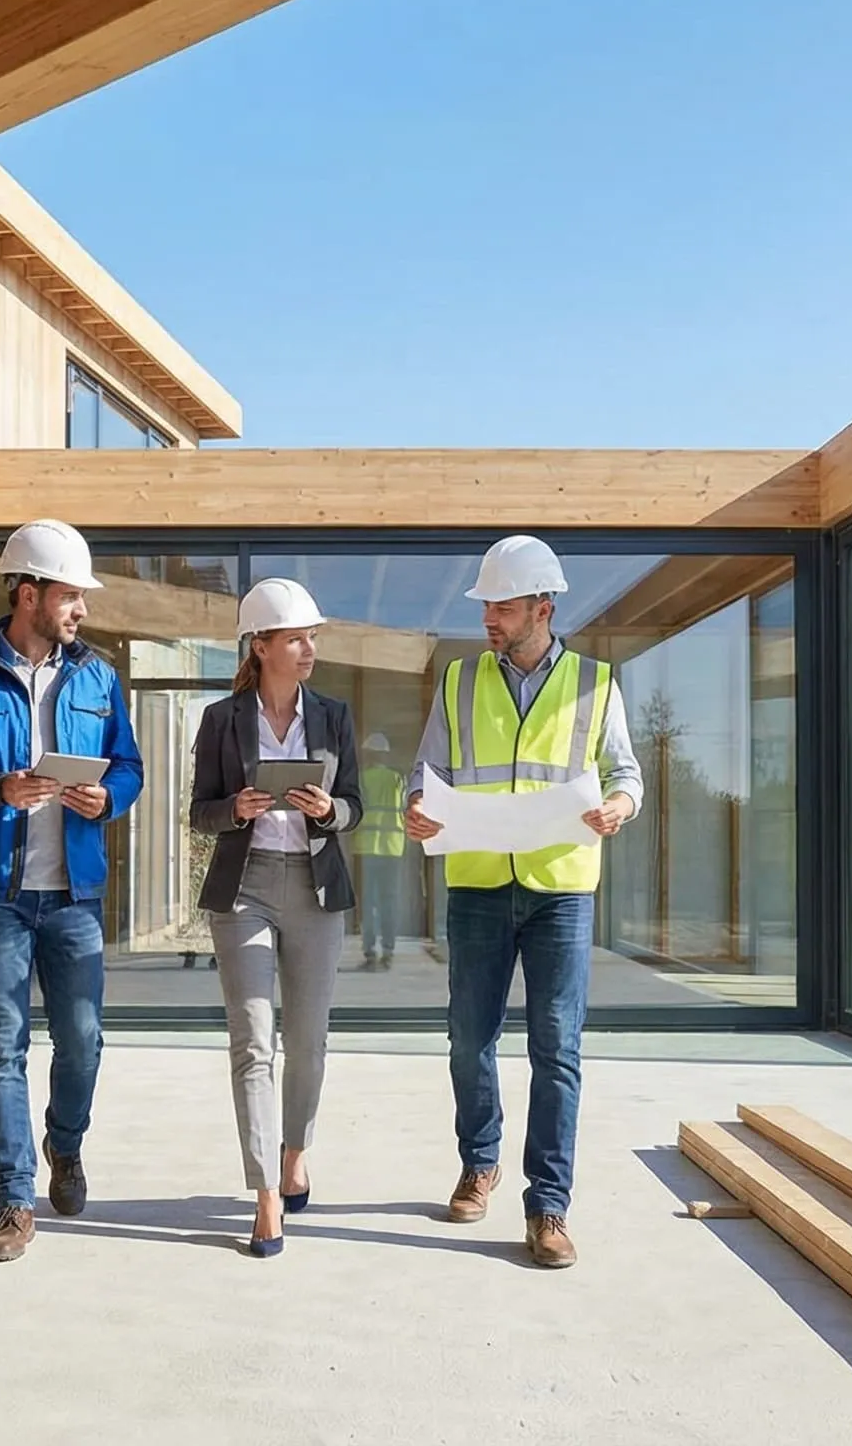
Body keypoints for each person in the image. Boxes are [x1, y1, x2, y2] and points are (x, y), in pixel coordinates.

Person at [0, 519, 144, 1264]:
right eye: (70, 596)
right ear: (29, 593)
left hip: (73, 895)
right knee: (1, 1050)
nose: (80, 610)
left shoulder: (98, 677)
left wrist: (110, 800)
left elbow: (127, 766)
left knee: (82, 1041)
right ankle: (13, 1198)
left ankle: (64, 1148)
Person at [403, 534, 640, 1270]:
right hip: (476, 882)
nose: (489, 619)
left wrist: (620, 806)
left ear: (543, 606)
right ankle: (480, 1161)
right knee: (468, 1041)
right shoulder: (457, 680)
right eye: (486, 606)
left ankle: (548, 1207)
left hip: (560, 891)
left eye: (502, 606)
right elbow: (426, 769)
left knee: (556, 1051)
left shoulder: (598, 683)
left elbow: (625, 771)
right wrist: (416, 804)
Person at [188, 579, 363, 1258]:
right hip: (245, 889)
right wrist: (237, 808)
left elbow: (355, 804)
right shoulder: (221, 720)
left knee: (309, 1041)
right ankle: (266, 1195)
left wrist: (329, 811)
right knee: (254, 1041)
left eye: (312, 637)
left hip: (316, 891)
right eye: (296, 637)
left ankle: (297, 1148)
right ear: (261, 646)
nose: (309, 647)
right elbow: (200, 811)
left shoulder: (335, 716)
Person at [350, 733, 414, 972]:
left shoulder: (361, 779)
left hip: (366, 847)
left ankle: (370, 954)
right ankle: (389, 952)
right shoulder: (398, 779)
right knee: (389, 902)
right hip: (393, 847)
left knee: (368, 903)